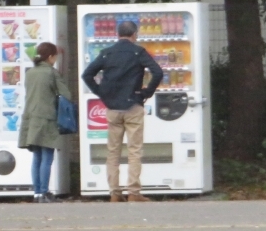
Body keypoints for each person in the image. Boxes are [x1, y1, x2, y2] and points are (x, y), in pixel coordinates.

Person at [81, 19, 163, 202]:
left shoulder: (107, 53)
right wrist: (146, 93)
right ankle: (133, 192)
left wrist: (102, 93)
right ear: (134, 34)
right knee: (134, 151)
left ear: (118, 34)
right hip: (133, 106)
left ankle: (114, 193)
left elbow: (87, 74)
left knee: (113, 152)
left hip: (112, 108)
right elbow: (157, 72)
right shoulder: (138, 52)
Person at [17, 42, 73, 203]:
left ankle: (37, 193)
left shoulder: (30, 73)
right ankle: (44, 191)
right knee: (47, 157)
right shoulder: (51, 73)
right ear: (50, 57)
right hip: (47, 118)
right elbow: (66, 94)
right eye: (55, 56)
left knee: (37, 157)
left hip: (31, 118)